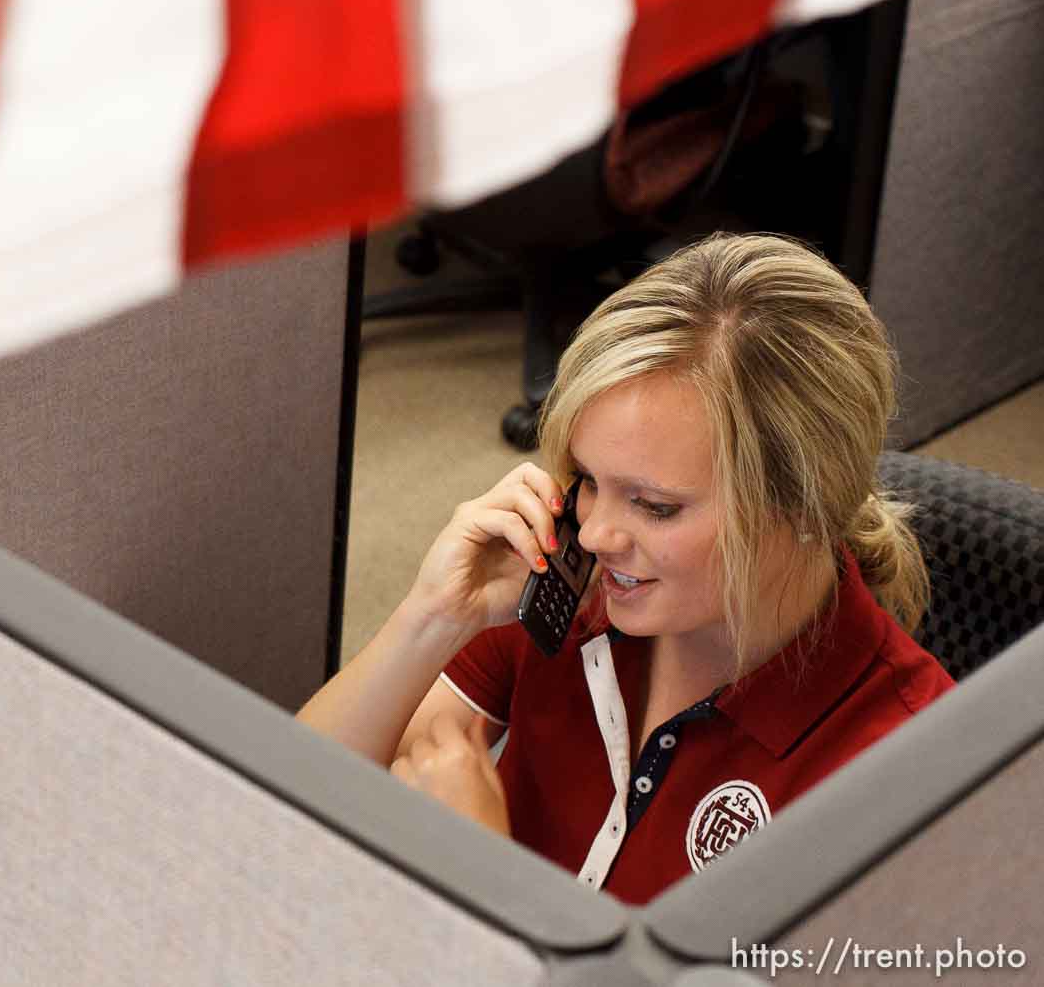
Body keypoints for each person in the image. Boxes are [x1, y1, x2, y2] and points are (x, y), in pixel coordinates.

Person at [297, 231, 954, 904]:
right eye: (585, 478)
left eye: (653, 506)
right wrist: (430, 617)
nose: (598, 531)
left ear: (805, 504)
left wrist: (491, 881)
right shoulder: (572, 584)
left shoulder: (904, 773)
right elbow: (285, 810)